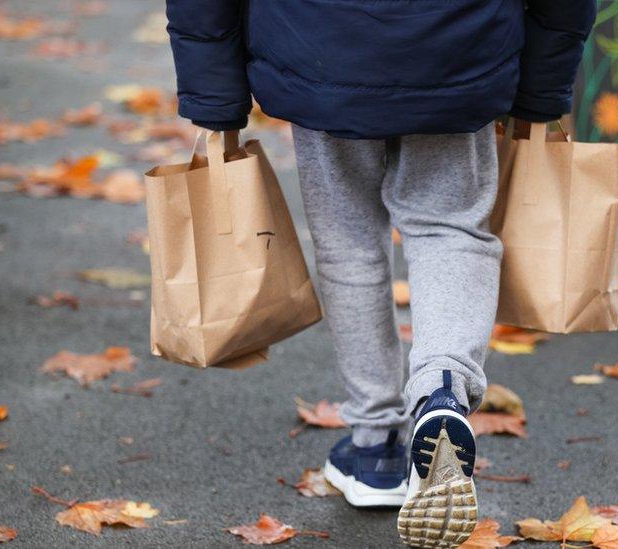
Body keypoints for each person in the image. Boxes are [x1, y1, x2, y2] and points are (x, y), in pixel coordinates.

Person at [165, 1, 596, 546]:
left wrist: (215, 97)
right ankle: (442, 391)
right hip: (457, 49)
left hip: (321, 48)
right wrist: (541, 88)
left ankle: (374, 442)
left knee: (348, 243)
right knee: (450, 228)